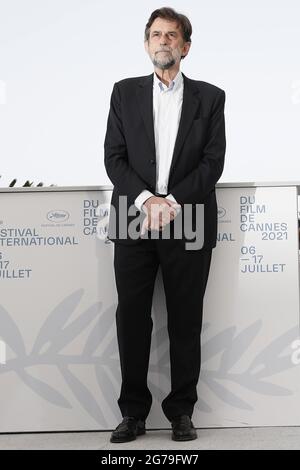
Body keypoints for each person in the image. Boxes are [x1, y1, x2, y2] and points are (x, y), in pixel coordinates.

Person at [104, 6, 226, 443]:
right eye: (156, 34)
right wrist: (147, 200)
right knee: (132, 319)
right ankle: (133, 414)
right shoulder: (123, 93)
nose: (163, 41)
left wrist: (170, 201)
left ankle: (181, 413)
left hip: (189, 213)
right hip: (133, 215)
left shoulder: (211, 98)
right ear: (146, 44)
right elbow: (113, 158)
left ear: (185, 47)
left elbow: (213, 163)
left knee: (185, 319)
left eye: (171, 35)